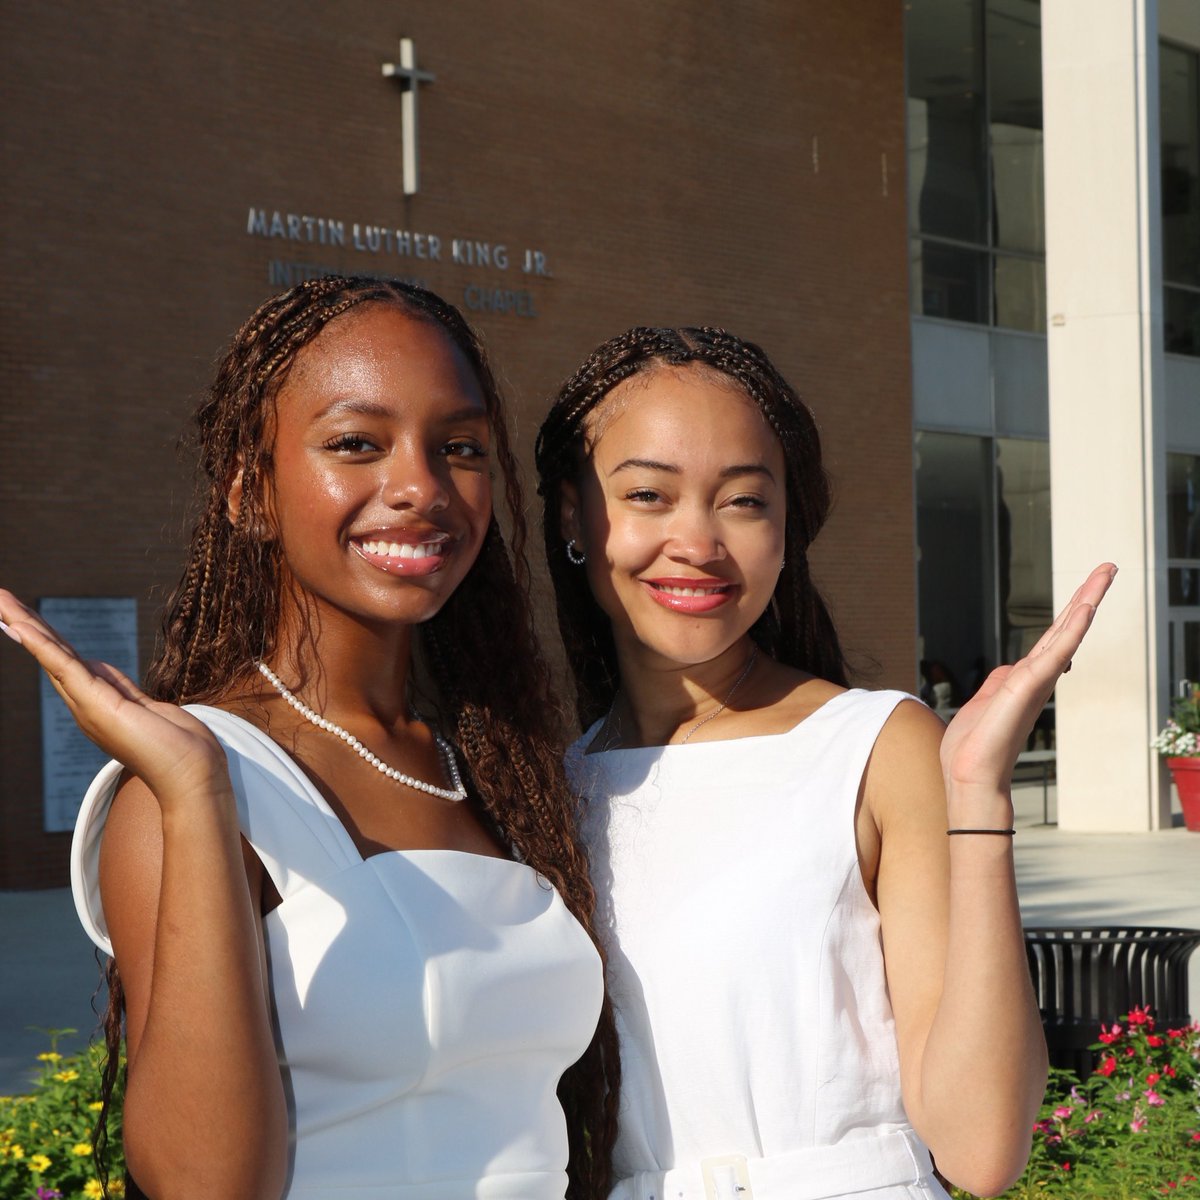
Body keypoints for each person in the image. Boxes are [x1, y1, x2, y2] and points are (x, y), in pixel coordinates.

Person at [0, 276, 618, 1200]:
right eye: (356, 444)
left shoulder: (494, 765)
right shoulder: (197, 783)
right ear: (251, 492)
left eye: (459, 447)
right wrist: (196, 792)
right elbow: (206, 1186)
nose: (419, 486)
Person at [534, 326, 1113, 1200]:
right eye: (649, 494)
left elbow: (982, 1150)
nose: (697, 540)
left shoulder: (871, 747)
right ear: (576, 515)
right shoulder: (551, 788)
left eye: (744, 501)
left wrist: (977, 797)